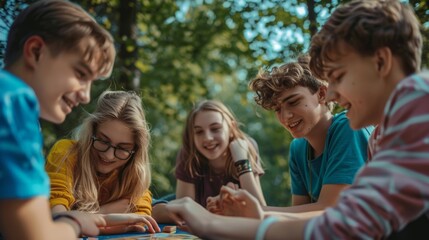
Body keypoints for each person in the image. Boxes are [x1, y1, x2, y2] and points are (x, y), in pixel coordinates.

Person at [165, 0, 429, 239]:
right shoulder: (380, 136)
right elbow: (364, 220)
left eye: (338, 76)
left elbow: (342, 224)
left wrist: (211, 223)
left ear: (381, 62)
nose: (334, 93)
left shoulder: (418, 105)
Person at [0, 1, 157, 239]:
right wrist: (78, 222)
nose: (85, 96)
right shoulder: (12, 103)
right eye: (80, 74)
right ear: (35, 51)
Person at [246, 55, 372, 213]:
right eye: (278, 109)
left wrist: (252, 212)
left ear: (322, 94)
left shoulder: (349, 127)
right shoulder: (298, 148)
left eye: (293, 102)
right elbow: (299, 213)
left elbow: (328, 210)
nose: (285, 117)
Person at [46, 90, 160, 234]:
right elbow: (57, 218)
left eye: (122, 148)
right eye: (103, 141)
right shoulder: (65, 153)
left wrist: (82, 218)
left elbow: (139, 223)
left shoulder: (135, 174)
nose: (109, 155)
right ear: (91, 132)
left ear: (135, 151)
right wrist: (106, 216)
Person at [175, 100, 266, 209]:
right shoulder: (189, 154)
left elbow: (260, 209)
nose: (207, 138)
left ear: (232, 128)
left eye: (215, 129)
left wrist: (241, 161)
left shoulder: (246, 147)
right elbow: (182, 212)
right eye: (199, 132)